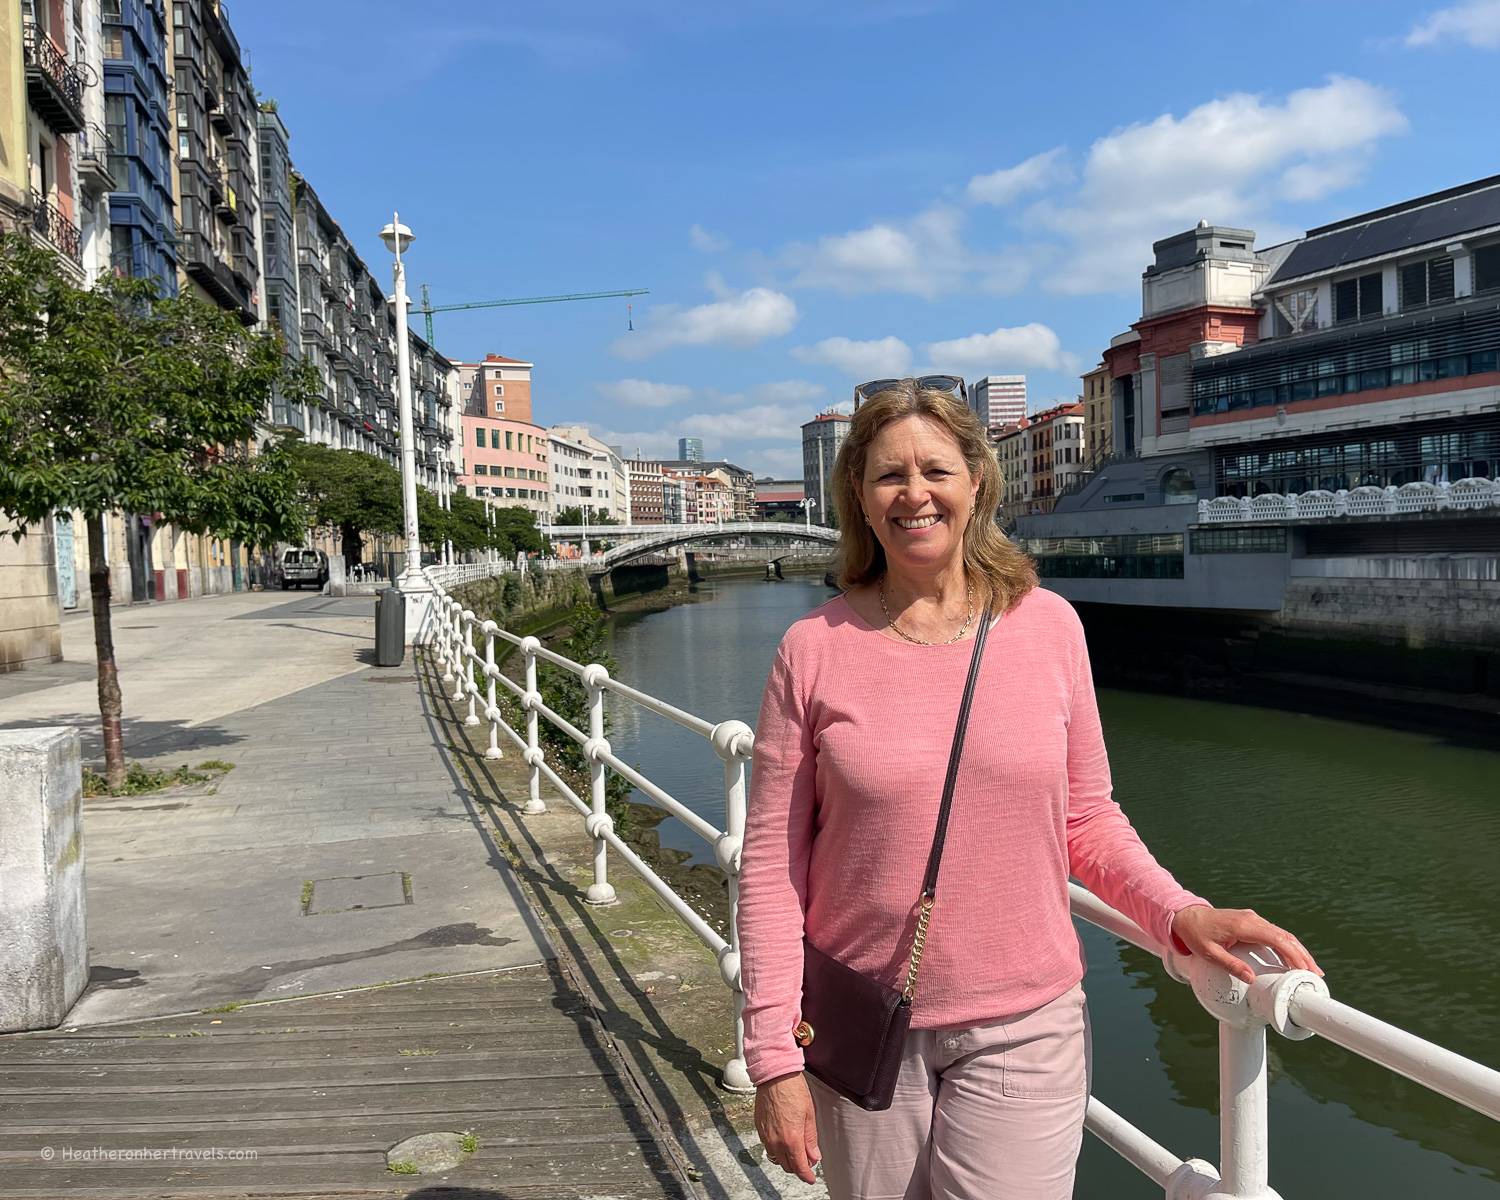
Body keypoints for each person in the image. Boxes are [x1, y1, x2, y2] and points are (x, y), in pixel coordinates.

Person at [737, 378, 1320, 1200]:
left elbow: (1086, 818)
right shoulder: (813, 650)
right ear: (859, 501)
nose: (915, 494)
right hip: (863, 1018)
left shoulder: (1048, 627)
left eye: (936, 470)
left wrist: (1178, 913)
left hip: (1025, 1022)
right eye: (887, 476)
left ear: (977, 481)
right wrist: (772, 1058)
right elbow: (770, 868)